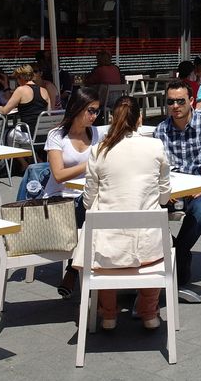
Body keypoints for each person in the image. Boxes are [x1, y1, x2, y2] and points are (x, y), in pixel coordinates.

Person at [73, 95, 170, 331]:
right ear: (140, 119)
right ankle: (148, 314)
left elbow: (88, 200)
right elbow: (164, 195)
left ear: (111, 119)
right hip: (148, 247)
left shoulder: (99, 150)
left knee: (102, 243)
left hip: (107, 248)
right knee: (155, 234)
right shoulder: (155, 146)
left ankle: (108, 315)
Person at [155, 79, 201, 290]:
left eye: (180, 101)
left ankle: (179, 253)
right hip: (172, 190)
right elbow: (155, 168)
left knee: (200, 210)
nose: (175, 106)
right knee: (144, 209)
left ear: (191, 101)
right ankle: (173, 248)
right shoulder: (161, 130)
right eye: (171, 102)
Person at [45, 87, 102, 298]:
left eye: (97, 111)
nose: (94, 116)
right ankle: (76, 271)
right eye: (91, 110)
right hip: (59, 199)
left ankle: (76, 270)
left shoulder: (96, 134)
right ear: (77, 108)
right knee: (90, 213)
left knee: (98, 210)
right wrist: (90, 163)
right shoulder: (57, 135)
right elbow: (58, 175)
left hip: (87, 197)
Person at [0, 64, 52, 135]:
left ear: (21, 77)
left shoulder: (21, 90)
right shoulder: (44, 91)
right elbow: (49, 113)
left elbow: (5, 111)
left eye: (17, 78)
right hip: (43, 134)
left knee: (6, 133)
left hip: (27, 133)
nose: (17, 81)